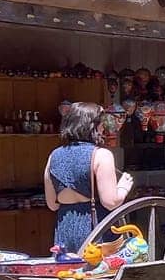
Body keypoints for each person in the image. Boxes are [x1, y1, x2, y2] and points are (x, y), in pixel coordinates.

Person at [45, 102, 133, 255]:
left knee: (69, 274)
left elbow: (52, 204)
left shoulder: (54, 155)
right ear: (94, 126)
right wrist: (123, 187)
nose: (104, 127)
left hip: (65, 228)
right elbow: (110, 202)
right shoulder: (101, 155)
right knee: (100, 274)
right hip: (95, 229)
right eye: (101, 122)